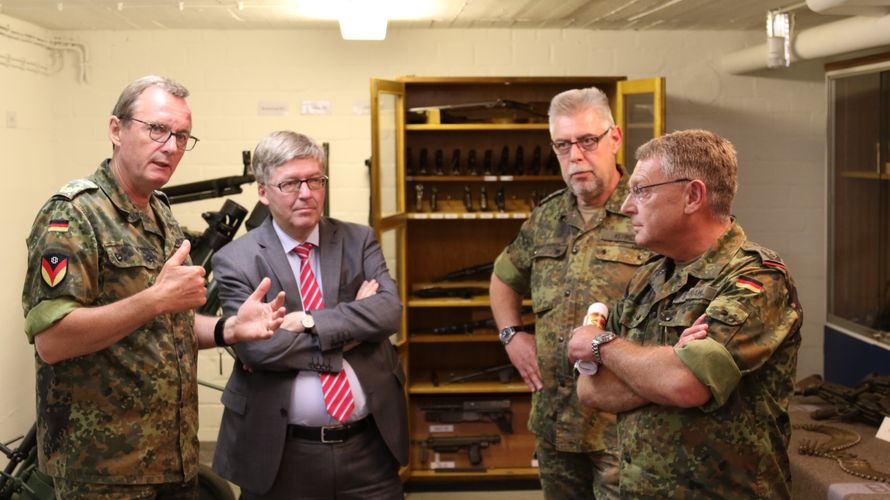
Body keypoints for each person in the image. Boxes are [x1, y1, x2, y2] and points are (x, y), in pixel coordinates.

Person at [21, 75, 287, 498]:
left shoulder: (158, 211)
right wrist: (154, 299)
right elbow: (53, 340)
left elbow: (166, 326)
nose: (171, 146)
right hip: (104, 470)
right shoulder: (74, 215)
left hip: (171, 458)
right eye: (157, 129)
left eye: (182, 136)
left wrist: (228, 329)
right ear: (116, 130)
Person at [568, 129, 802, 498]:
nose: (627, 206)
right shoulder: (649, 275)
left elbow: (685, 385)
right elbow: (590, 388)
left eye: (641, 190)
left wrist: (601, 344)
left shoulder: (757, 279)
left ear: (693, 196)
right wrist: (671, 364)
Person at [211, 130, 407, 500]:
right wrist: (352, 330)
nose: (306, 193)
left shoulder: (357, 240)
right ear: (263, 191)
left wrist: (309, 321)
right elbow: (258, 351)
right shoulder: (236, 260)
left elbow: (388, 313)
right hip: (280, 454)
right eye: (290, 183)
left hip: (369, 450)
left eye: (315, 180)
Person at [489, 87, 653, 499]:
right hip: (556, 422)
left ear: (614, 138)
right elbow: (503, 277)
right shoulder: (547, 216)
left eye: (587, 141)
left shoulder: (647, 211)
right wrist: (512, 335)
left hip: (626, 427)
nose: (576, 155)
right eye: (563, 145)